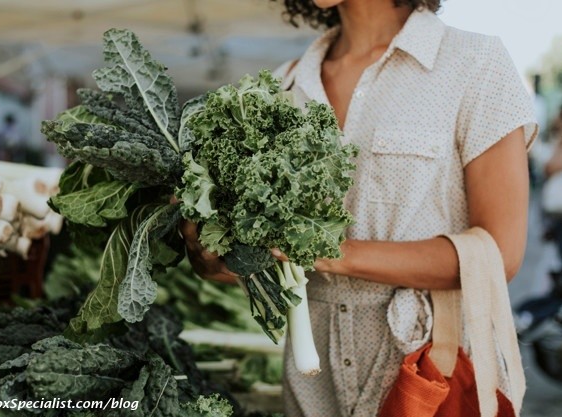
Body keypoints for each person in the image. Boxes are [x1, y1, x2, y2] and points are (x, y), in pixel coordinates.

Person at [181, 0, 537, 416]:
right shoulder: (282, 86)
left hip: (431, 376)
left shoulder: (474, 64)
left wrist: (330, 253)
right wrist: (214, 257)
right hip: (313, 388)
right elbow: (260, 262)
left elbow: (499, 254)